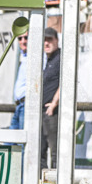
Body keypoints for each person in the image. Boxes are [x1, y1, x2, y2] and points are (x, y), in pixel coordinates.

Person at [40, 27, 62, 170]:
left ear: (57, 41)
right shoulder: (46, 60)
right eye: (44, 40)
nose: (46, 43)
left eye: (50, 40)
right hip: (42, 111)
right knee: (40, 149)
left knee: (55, 151)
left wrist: (54, 103)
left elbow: (66, 82)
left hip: (52, 112)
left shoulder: (61, 58)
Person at [9, 32, 28, 130]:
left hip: (27, 105)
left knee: (22, 142)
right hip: (19, 105)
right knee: (9, 141)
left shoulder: (37, 58)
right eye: (20, 38)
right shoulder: (24, 57)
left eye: (26, 37)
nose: (23, 41)